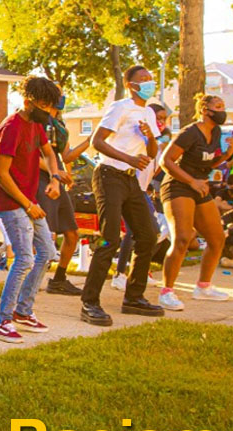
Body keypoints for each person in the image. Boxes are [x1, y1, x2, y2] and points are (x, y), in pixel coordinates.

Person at [80, 65, 165, 326]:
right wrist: (128, 157)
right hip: (109, 175)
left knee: (148, 235)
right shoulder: (120, 107)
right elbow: (97, 141)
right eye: (143, 79)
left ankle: (134, 297)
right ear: (131, 85)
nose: (149, 82)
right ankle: (90, 302)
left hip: (131, 180)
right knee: (109, 238)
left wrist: (150, 137)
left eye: (151, 79)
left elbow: (151, 152)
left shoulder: (148, 113)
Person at [0, 76, 61, 344]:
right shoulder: (11, 127)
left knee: (47, 252)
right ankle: (3, 320)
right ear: (28, 101)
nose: (48, 111)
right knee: (24, 258)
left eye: (51, 106)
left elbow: (49, 154)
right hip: (11, 202)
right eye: (44, 105)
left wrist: (55, 178)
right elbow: (2, 174)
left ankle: (23, 311)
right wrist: (28, 205)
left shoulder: (36, 125)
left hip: (29, 200)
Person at [157, 94, 233, 310]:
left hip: (198, 186)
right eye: (217, 106)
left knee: (217, 238)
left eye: (223, 105)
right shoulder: (189, 133)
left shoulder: (216, 132)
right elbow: (166, 161)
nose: (222, 110)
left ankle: (203, 287)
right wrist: (191, 181)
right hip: (178, 185)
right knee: (182, 237)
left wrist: (227, 154)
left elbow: (209, 163)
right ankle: (167, 292)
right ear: (204, 110)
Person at [111, 103, 170, 290]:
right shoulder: (137, 138)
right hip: (130, 189)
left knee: (154, 233)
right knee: (134, 232)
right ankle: (120, 274)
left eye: (164, 119)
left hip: (143, 191)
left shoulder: (157, 144)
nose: (161, 122)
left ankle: (140, 272)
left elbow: (155, 169)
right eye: (157, 118)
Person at [41, 94, 91, 296]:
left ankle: (59, 279)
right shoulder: (39, 122)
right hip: (43, 180)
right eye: (56, 92)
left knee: (72, 233)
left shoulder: (59, 126)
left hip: (59, 180)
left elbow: (67, 156)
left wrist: (90, 141)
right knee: (46, 235)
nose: (60, 96)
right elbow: (33, 157)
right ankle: (29, 280)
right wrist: (54, 172)